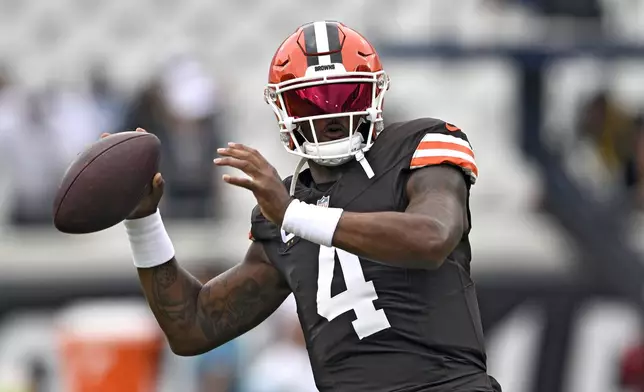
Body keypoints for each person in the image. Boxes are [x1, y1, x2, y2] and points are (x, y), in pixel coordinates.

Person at [116, 21, 501, 392]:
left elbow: (431, 237)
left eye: (346, 94)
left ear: (373, 94)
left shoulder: (419, 146)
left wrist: (294, 215)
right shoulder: (283, 212)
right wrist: (143, 220)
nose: (331, 114)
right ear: (284, 110)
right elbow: (193, 327)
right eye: (310, 99)